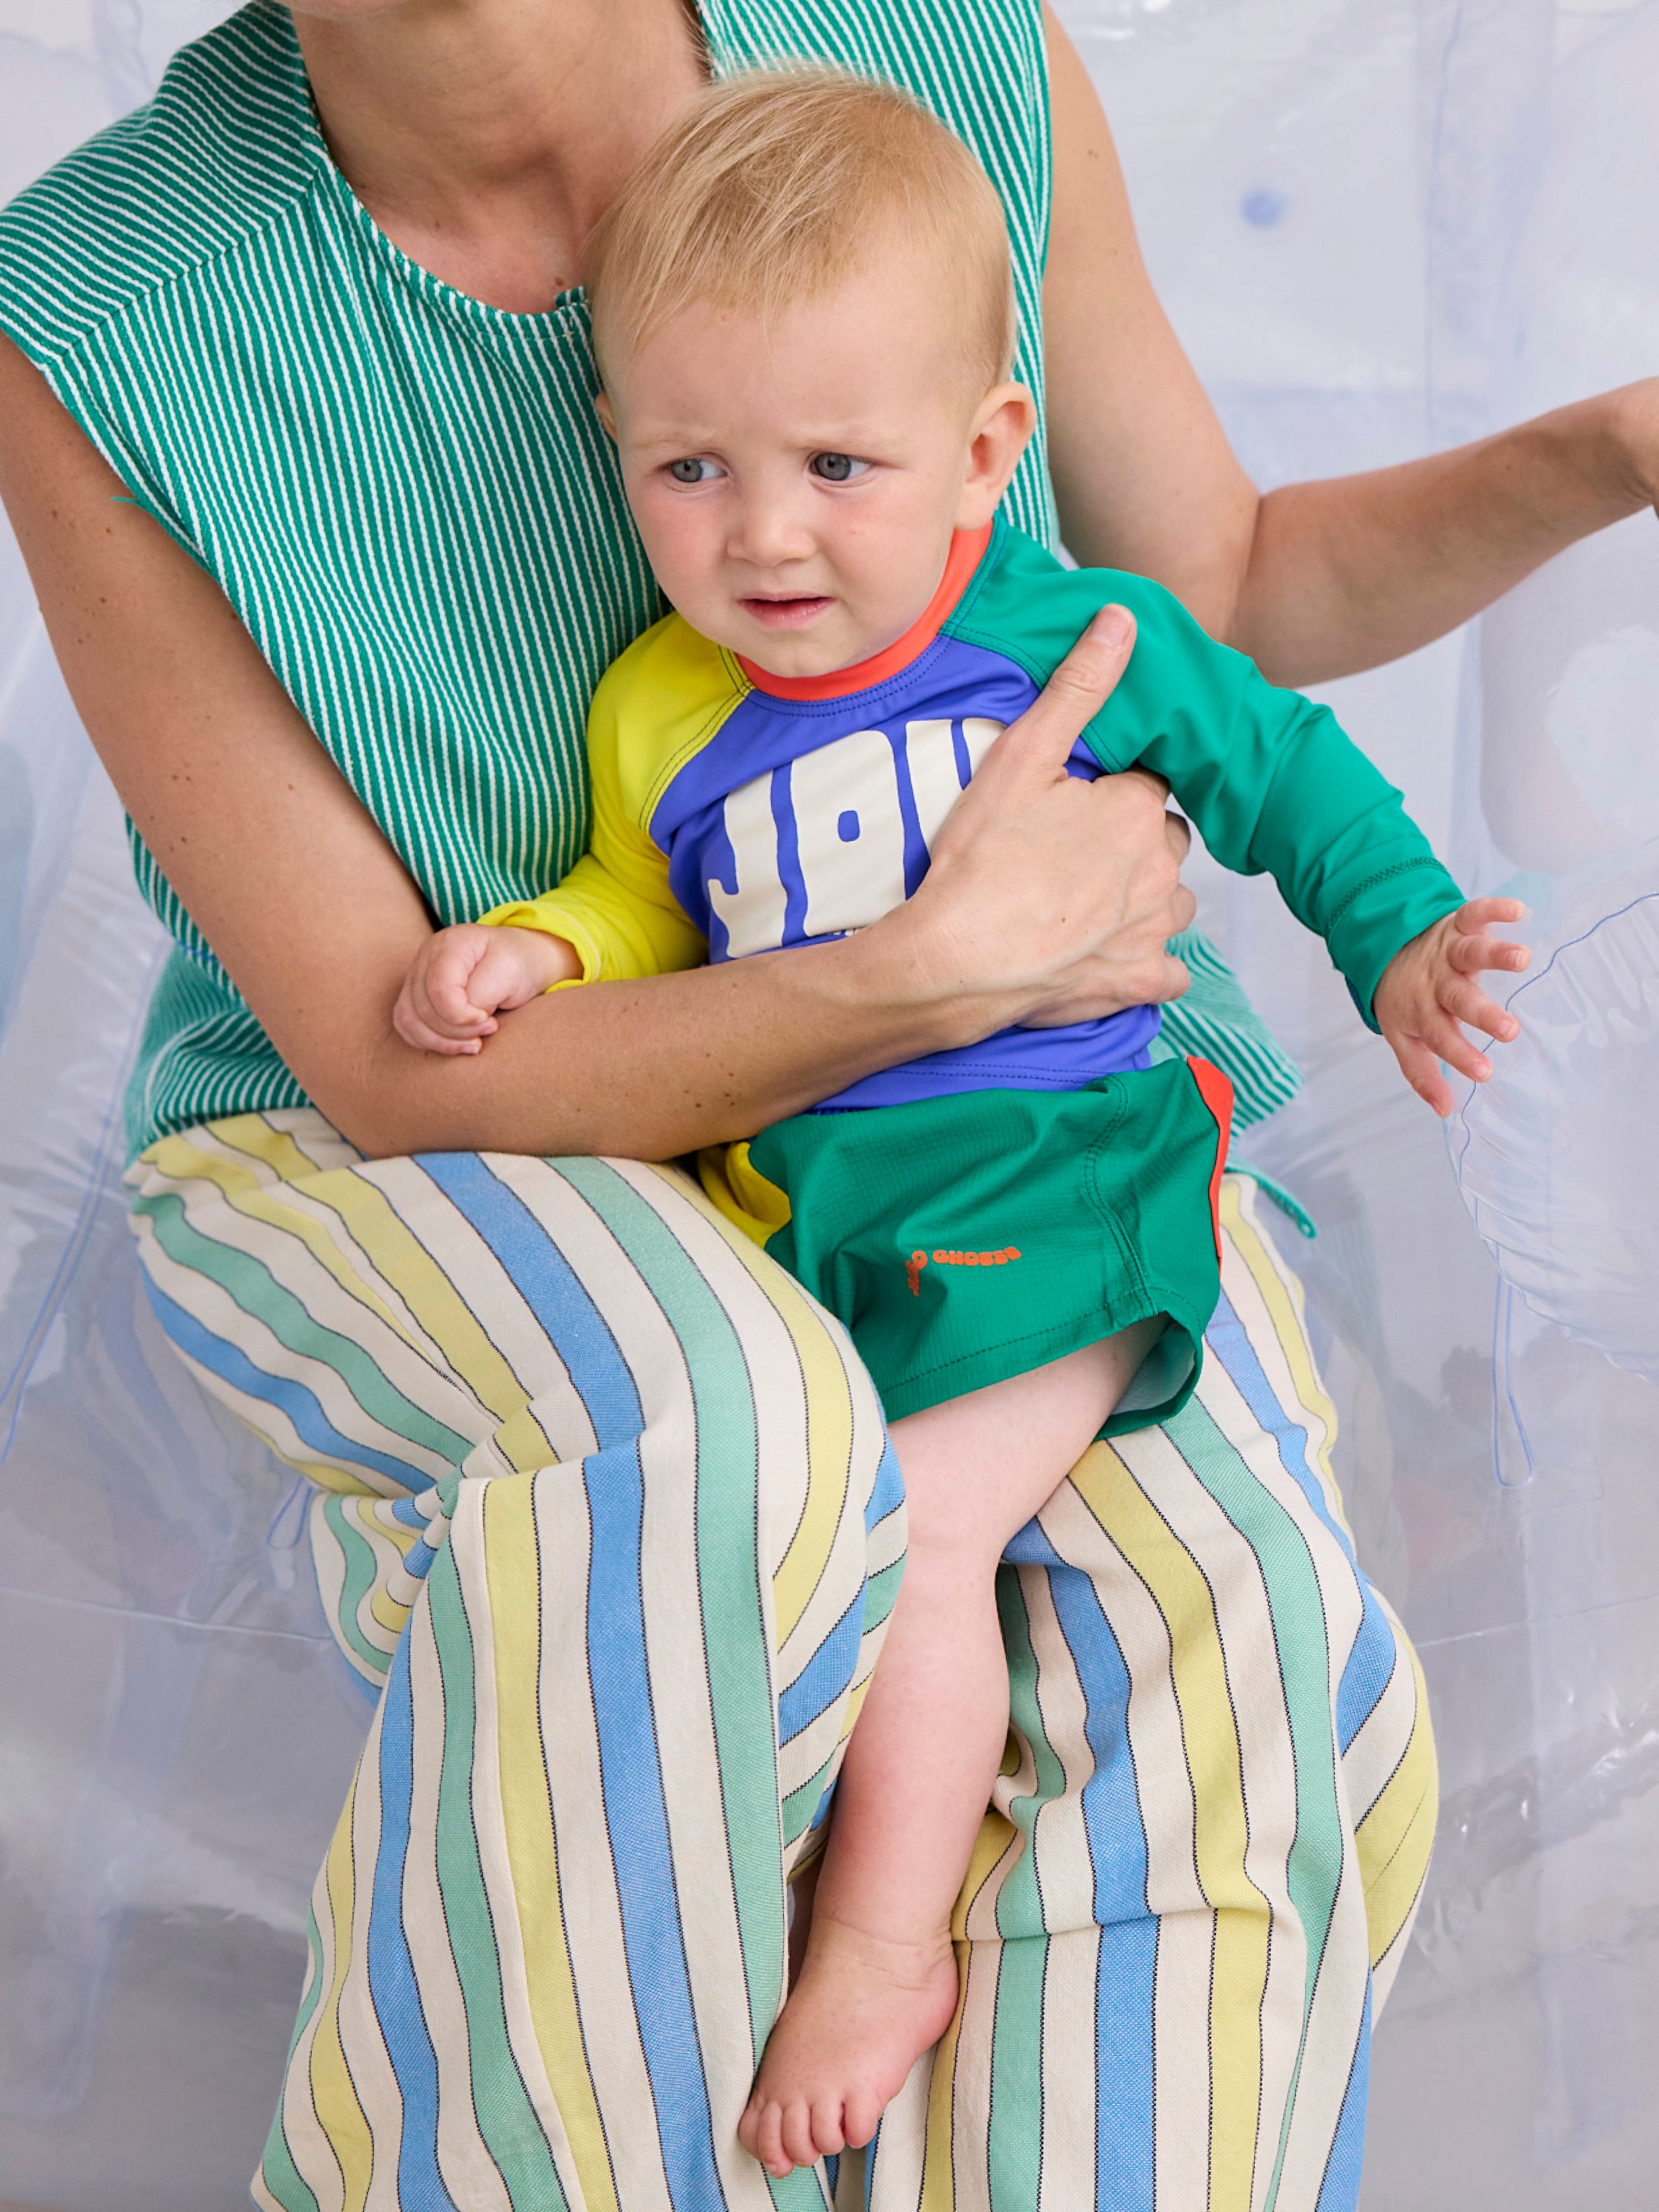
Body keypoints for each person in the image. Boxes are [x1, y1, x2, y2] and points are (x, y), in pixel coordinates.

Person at [0, 3, 1648, 2205]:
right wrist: (915, 970)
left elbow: (1213, 601)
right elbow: (399, 1051)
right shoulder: (90, 315)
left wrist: (1617, 447)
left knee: (1220, 1602)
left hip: (1017, 1108)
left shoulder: (946, 42)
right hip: (427, 1113)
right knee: (698, 1430)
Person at [390, 72, 1529, 2175]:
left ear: (988, 454)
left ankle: (880, 1953)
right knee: (757, 1541)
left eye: (838, 464)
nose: (765, 533)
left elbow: (1279, 769)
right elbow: (650, 907)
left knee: (918, 1540)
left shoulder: (1063, 644)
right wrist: (539, 955)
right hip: (834, 1221)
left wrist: (1400, 943)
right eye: (688, 468)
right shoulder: (660, 701)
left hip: (1064, 1194)